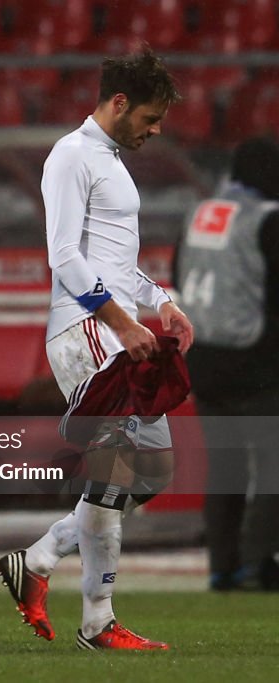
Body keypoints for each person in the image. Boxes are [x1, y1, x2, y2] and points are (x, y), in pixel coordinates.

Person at [0, 47, 192, 651]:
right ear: (120, 102)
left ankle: (40, 556)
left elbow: (116, 263)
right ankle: (98, 621)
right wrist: (118, 321)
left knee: (154, 470)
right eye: (150, 117)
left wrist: (159, 300)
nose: (155, 130)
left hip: (120, 326)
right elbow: (65, 257)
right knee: (115, 466)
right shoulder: (71, 155)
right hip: (84, 330)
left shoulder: (111, 160)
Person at [176, 137, 279, 592]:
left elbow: (179, 276)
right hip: (255, 360)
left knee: (227, 466)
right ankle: (259, 565)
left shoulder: (199, 213)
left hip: (203, 356)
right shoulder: (267, 221)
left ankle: (223, 566)